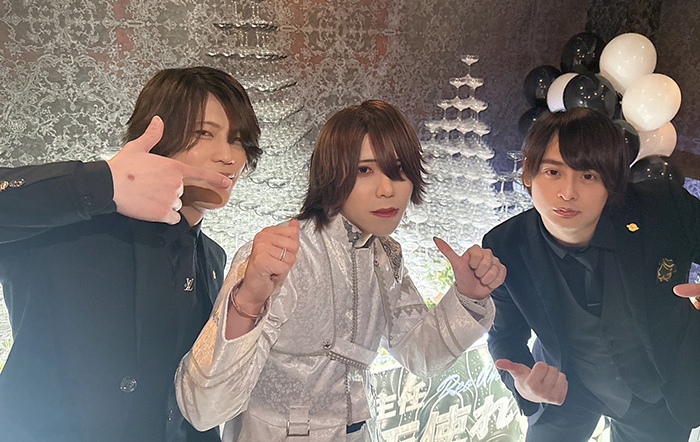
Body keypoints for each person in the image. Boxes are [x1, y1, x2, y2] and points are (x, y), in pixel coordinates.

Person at [175, 99, 507, 441]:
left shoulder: (386, 254)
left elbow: (419, 354)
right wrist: (248, 300)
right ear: (331, 173)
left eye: (399, 170)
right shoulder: (282, 254)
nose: (387, 189)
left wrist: (467, 297)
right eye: (364, 170)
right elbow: (204, 408)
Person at [0, 66, 262, 442]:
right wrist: (103, 182)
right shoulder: (69, 229)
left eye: (238, 140)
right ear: (157, 136)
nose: (229, 156)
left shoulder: (212, 259)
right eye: (205, 133)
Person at [483, 107, 700, 442]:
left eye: (588, 176)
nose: (567, 193)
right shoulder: (504, 246)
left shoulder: (663, 208)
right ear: (528, 174)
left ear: (612, 182)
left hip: (658, 393)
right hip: (561, 389)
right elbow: (505, 336)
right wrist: (523, 385)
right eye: (553, 172)